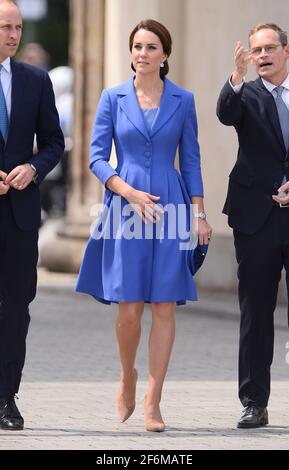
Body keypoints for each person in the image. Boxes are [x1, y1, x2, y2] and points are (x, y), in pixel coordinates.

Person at [76, 19, 212, 432]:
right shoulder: (111, 97)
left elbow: (190, 158)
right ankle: (127, 375)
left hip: (171, 208)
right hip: (125, 209)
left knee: (165, 306)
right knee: (130, 310)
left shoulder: (183, 99)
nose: (142, 53)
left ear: (164, 55)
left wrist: (199, 213)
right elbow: (97, 157)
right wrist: (128, 191)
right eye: (137, 46)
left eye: (151, 47)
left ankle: (153, 401)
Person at [217, 23, 289, 428]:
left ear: (286, 51)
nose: (262, 56)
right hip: (255, 218)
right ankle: (253, 402)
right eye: (256, 50)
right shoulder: (244, 93)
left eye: (269, 49)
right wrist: (235, 78)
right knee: (256, 313)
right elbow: (224, 114)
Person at [0, 0, 64, 430]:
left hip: (21, 214)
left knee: (17, 308)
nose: (13, 34)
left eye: (18, 27)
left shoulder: (36, 80)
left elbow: (56, 143)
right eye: (6, 26)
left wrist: (34, 168)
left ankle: (7, 397)